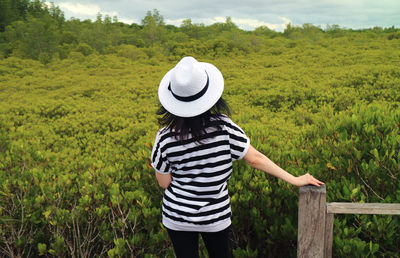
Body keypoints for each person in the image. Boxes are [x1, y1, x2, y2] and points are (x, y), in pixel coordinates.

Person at [150, 56, 324, 258]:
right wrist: (294, 179)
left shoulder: (164, 137)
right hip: (216, 216)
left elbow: (164, 183)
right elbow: (254, 158)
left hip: (177, 216)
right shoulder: (224, 127)